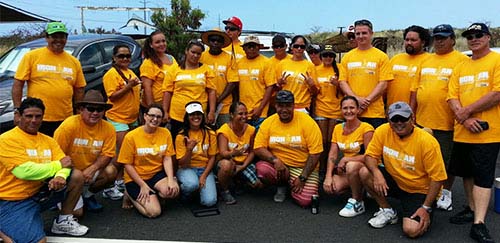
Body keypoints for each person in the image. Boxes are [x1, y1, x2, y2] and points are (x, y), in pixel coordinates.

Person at [0, 98, 88, 243]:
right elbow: (23, 172)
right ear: (19, 116)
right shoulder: (7, 139)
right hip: (12, 200)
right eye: (29, 116)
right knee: (38, 241)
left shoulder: (48, 140)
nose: (34, 120)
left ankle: (63, 222)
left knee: (76, 176)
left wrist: (59, 177)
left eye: (38, 116)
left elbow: (66, 164)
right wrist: (58, 166)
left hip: (39, 192)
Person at [359, 101, 446, 238]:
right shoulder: (383, 130)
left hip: (419, 190)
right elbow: (369, 156)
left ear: (412, 118)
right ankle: (387, 210)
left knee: (411, 230)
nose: (399, 123)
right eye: (394, 119)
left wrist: (426, 207)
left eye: (403, 118)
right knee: (364, 172)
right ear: (388, 120)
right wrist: (377, 174)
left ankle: (423, 211)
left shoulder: (427, 142)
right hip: (395, 181)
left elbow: (438, 178)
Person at [446, 23, 500, 243]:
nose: (474, 39)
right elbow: (451, 96)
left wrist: (467, 111)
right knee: (466, 173)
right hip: (463, 130)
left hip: (488, 133)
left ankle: (479, 223)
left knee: (483, 177)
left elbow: (497, 93)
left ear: (488, 37)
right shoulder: (461, 66)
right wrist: (465, 118)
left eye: (478, 35)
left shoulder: (496, 61)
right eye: (470, 36)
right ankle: (470, 208)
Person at [410, 24, 468, 212]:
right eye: (437, 38)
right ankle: (428, 189)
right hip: (422, 120)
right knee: (423, 159)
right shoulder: (426, 60)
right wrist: (411, 114)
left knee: (445, 161)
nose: (440, 41)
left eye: (444, 37)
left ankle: (446, 192)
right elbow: (415, 90)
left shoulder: (461, 60)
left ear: (452, 39)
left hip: (447, 122)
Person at [12, 22, 86, 136]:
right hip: (37, 118)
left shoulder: (74, 61)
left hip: (64, 118)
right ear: (47, 37)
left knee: (60, 151)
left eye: (61, 37)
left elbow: (79, 89)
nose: (58, 40)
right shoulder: (32, 56)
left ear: (66, 38)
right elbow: (18, 83)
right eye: (54, 37)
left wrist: (78, 114)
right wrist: (17, 110)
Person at [254, 90, 323, 208]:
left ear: (293, 105)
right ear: (276, 106)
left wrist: (302, 178)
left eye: (288, 105)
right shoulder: (269, 122)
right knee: (262, 169)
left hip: (303, 167)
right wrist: (274, 160)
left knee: (306, 201)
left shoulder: (307, 122)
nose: (284, 109)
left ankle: (293, 184)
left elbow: (315, 153)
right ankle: (282, 185)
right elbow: (258, 147)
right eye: (280, 105)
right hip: (280, 166)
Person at [53, 90, 117, 212]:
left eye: (99, 109)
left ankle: (87, 195)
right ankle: (60, 197)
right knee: (77, 213)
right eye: (91, 108)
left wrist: (93, 168)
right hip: (70, 173)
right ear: (81, 109)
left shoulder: (109, 128)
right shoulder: (68, 126)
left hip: (89, 171)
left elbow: (108, 154)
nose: (95, 113)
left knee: (111, 171)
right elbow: (57, 154)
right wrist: (69, 174)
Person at [117, 104, 179, 217]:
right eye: (152, 115)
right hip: (136, 178)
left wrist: (170, 179)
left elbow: (167, 157)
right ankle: (130, 194)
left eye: (158, 117)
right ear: (145, 116)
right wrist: (142, 185)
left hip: (156, 174)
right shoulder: (131, 136)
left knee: (173, 191)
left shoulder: (165, 133)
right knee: (154, 212)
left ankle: (154, 194)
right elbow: (127, 164)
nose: (155, 119)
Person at [102, 44, 142, 202]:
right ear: (114, 57)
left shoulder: (130, 72)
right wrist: (129, 86)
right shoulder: (111, 74)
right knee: (119, 153)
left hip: (131, 118)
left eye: (127, 56)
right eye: (121, 56)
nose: (125, 59)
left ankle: (119, 181)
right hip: (117, 117)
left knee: (127, 152)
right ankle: (108, 185)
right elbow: (112, 96)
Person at [323, 96, 374, 217]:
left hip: (366, 169)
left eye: (352, 108)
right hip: (347, 170)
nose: (348, 111)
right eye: (345, 108)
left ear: (357, 110)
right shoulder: (337, 128)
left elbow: (371, 156)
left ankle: (357, 201)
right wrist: (328, 176)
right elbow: (332, 154)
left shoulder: (366, 128)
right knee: (333, 187)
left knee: (351, 165)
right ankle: (360, 187)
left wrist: (346, 159)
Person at [339, 19, 393, 129]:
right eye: (357, 33)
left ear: (371, 34)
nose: (360, 36)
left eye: (364, 33)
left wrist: (366, 101)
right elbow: (343, 82)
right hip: (353, 112)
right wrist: (356, 100)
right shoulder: (347, 57)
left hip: (375, 113)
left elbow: (383, 83)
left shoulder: (382, 57)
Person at [162, 40, 217, 138]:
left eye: (198, 53)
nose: (195, 56)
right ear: (186, 51)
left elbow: (212, 91)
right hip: (178, 114)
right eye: (193, 52)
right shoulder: (174, 69)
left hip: (198, 115)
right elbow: (167, 92)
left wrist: (211, 111)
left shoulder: (206, 70)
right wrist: (165, 111)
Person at [216, 102, 263, 204]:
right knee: (226, 166)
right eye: (240, 114)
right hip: (229, 162)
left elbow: (252, 152)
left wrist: (243, 166)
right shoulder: (224, 130)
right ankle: (224, 190)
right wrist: (233, 153)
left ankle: (239, 181)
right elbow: (223, 153)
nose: (244, 116)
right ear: (232, 115)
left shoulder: (251, 130)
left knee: (258, 185)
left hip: (244, 163)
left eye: (246, 113)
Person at [176, 101, 217, 207]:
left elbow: (212, 157)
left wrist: (203, 176)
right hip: (187, 169)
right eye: (192, 114)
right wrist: (189, 149)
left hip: (204, 168)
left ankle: (198, 192)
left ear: (202, 116)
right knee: (191, 184)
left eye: (198, 114)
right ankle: (185, 194)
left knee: (210, 202)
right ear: (187, 117)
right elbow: (182, 164)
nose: (196, 117)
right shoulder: (181, 136)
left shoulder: (210, 133)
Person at [235, 35, 276, 129]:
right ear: (244, 48)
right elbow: (236, 87)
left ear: (259, 47)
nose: (252, 49)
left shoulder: (267, 63)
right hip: (242, 113)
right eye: (249, 46)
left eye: (255, 46)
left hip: (260, 112)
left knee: (258, 141)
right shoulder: (238, 63)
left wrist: (260, 108)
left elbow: (270, 87)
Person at [314, 44, 342, 178]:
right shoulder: (315, 69)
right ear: (321, 56)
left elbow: (346, 90)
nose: (328, 58)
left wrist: (338, 85)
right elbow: (313, 92)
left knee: (332, 141)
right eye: (325, 55)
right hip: (321, 108)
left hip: (336, 110)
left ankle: (330, 168)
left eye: (331, 55)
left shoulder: (340, 69)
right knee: (322, 141)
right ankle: (321, 168)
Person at [200, 29, 238, 128]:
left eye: (219, 41)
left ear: (222, 43)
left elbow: (232, 83)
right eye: (213, 40)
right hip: (204, 104)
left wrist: (218, 100)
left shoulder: (229, 58)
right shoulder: (201, 57)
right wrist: (211, 103)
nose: (215, 43)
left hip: (224, 106)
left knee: (225, 133)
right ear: (208, 42)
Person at [387, 25, 430, 106]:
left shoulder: (430, 60)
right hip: (392, 111)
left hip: (416, 113)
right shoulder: (395, 59)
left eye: (413, 40)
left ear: (423, 42)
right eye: (407, 40)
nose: (409, 43)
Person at [276, 35, 318, 114]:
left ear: (305, 48)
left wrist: (312, 85)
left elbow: (315, 93)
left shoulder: (310, 66)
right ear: (291, 47)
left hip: (303, 107)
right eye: (296, 46)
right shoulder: (282, 64)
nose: (299, 49)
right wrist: (279, 83)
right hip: (285, 106)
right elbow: (276, 89)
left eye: (302, 47)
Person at [140, 30, 178, 111]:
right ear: (151, 45)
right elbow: (147, 88)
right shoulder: (148, 63)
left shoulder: (172, 59)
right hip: (157, 106)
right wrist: (152, 109)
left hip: (172, 104)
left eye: (163, 41)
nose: (162, 44)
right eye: (157, 42)